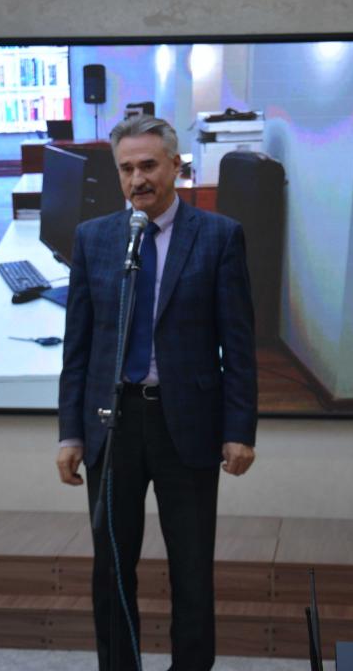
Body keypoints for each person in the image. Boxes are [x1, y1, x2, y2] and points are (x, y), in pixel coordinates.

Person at [56, 114, 258, 671]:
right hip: (112, 424)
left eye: (148, 165)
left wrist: (239, 429)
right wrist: (70, 433)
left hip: (186, 424)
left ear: (175, 165)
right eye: (126, 169)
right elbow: (78, 347)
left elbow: (239, 345)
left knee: (191, 567)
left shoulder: (218, 237)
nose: (137, 179)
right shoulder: (94, 239)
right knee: (111, 567)